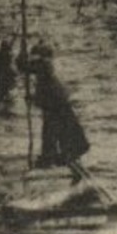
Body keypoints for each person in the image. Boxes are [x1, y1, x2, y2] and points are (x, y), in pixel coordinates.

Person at [28, 41, 90, 169]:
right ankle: (59, 161)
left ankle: (55, 161)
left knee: (59, 137)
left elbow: (46, 98)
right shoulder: (45, 73)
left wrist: (34, 100)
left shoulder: (46, 73)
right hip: (56, 110)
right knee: (59, 138)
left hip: (57, 110)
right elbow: (28, 68)